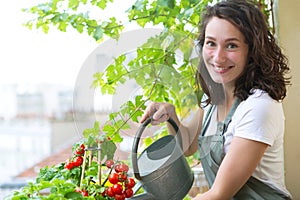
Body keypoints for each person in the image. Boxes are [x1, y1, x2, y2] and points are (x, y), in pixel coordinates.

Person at [140, 0, 292, 199]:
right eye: (211, 43)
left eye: (231, 45)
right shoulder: (213, 99)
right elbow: (188, 147)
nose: (218, 58)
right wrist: (171, 116)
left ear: (252, 50)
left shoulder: (259, 106)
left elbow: (219, 194)